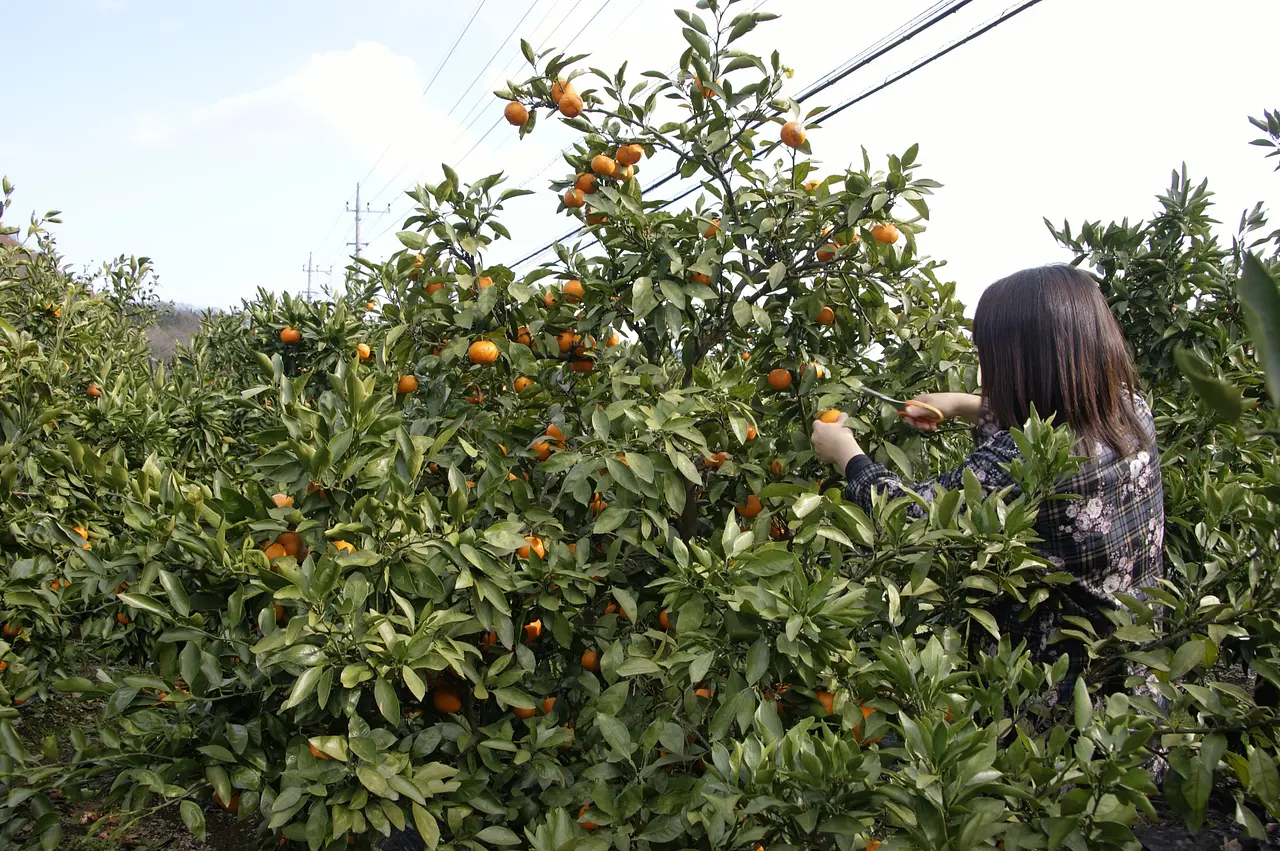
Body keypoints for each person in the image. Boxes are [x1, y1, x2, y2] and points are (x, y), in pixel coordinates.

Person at [810, 264, 1165, 703]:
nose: (985, 368)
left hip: (1061, 702)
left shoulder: (1025, 462)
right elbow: (1052, 413)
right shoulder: (1129, 411)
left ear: (1025, 362)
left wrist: (846, 454)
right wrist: (962, 404)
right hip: (1139, 677)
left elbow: (914, 515)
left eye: (989, 356)